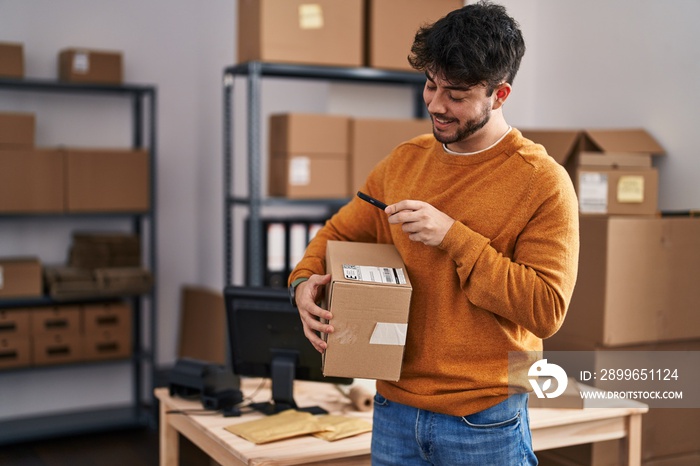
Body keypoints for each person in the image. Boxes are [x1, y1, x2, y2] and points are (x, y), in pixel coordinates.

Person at [287, 1, 579, 464]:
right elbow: (339, 233)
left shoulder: (541, 181)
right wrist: (302, 283)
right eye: (430, 85)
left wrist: (453, 236)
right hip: (393, 410)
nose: (437, 104)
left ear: (499, 95)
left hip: (485, 420)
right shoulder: (406, 160)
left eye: (457, 95)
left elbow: (546, 310)